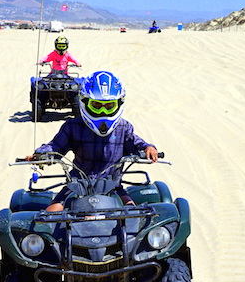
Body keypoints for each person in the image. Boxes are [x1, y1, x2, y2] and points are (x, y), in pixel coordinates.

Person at [28, 71, 159, 212]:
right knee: (48, 218)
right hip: (77, 185)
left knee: (133, 215)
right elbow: (55, 147)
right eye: (96, 105)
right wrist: (42, 154)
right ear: (85, 102)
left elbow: (136, 143)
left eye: (109, 106)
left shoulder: (123, 128)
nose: (103, 111)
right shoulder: (72, 126)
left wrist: (148, 148)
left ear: (119, 104)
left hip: (113, 186)